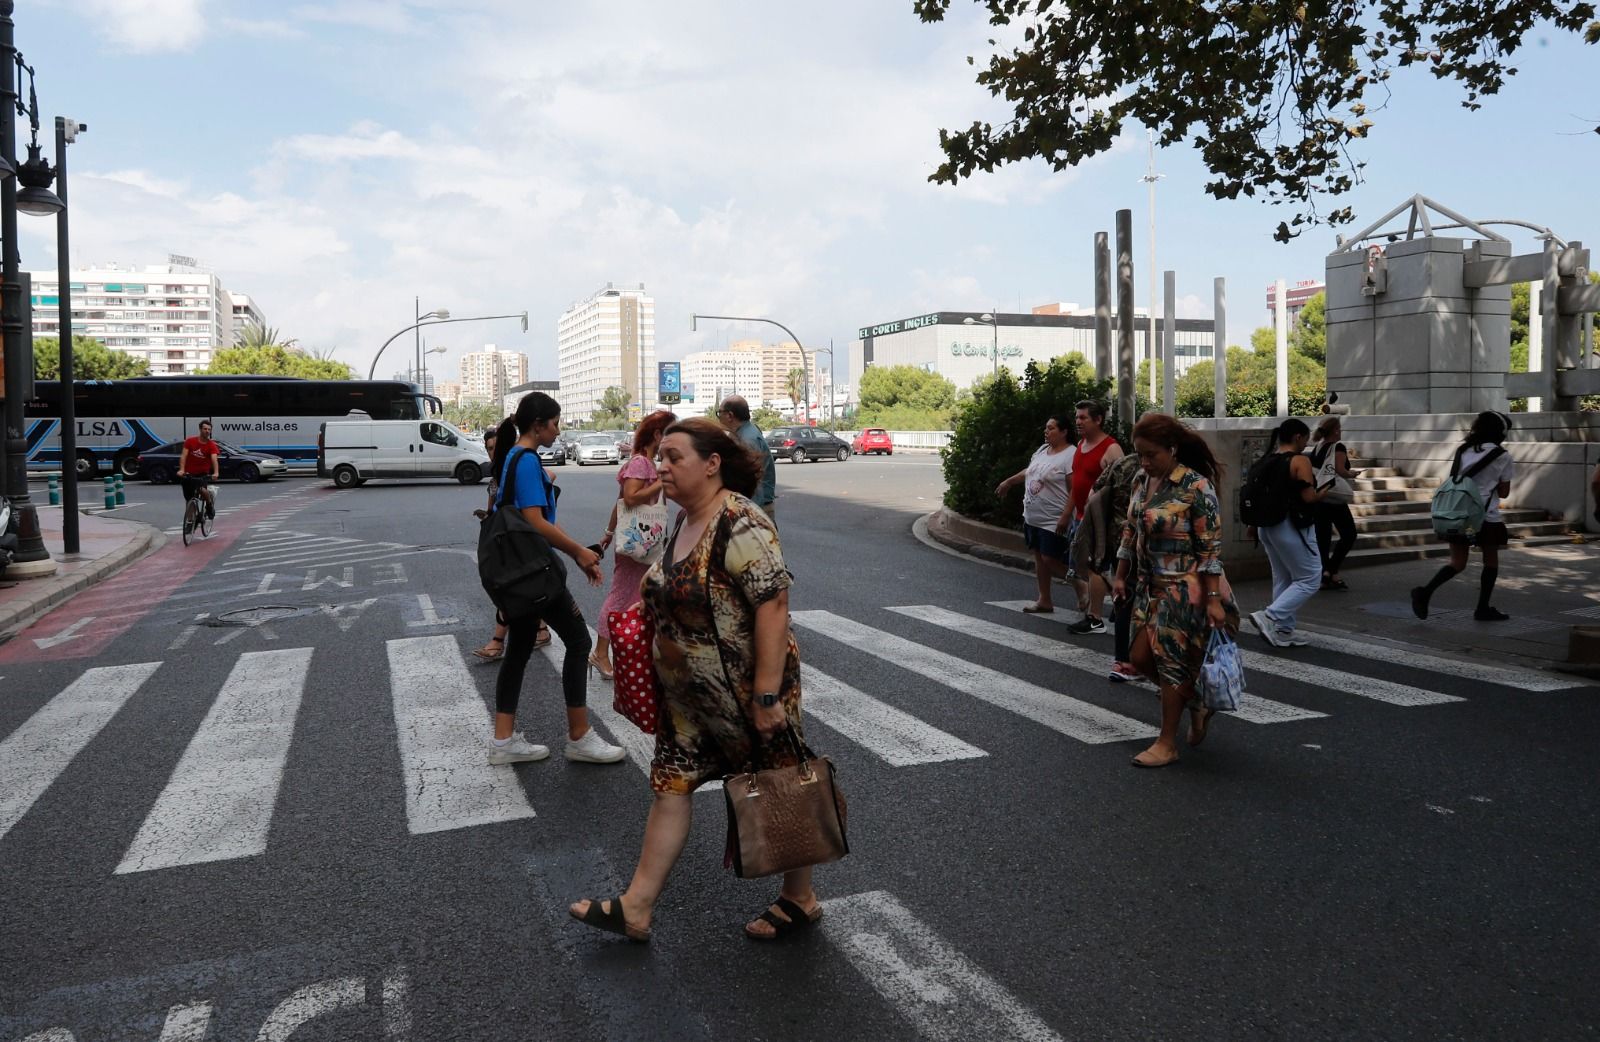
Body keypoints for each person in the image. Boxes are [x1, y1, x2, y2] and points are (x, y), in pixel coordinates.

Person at [569, 417, 819, 943]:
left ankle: (800, 898)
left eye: (673, 457)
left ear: (712, 465)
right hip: (689, 702)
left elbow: (773, 605)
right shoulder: (682, 521)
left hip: (745, 696)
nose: (661, 466)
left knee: (779, 787)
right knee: (670, 787)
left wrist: (767, 695)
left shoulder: (739, 522)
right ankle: (636, 907)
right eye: (659, 456)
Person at [490, 393, 626, 766]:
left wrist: (576, 553)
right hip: (536, 572)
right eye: (555, 423)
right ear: (538, 425)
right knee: (580, 641)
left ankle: (503, 741)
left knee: (518, 649)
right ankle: (579, 736)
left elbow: (540, 518)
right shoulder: (528, 461)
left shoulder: (513, 457)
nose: (558, 429)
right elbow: (534, 520)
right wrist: (579, 553)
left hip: (518, 571)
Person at [1111, 414, 1239, 768]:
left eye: (1152, 454)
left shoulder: (1196, 487)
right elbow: (1129, 532)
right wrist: (1121, 574)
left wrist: (1213, 600)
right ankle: (1195, 700)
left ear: (1172, 449)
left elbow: (1210, 549)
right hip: (1147, 586)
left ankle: (1167, 742)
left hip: (1184, 589)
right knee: (1138, 658)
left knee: (1170, 664)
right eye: (1140, 454)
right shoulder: (1142, 480)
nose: (1145, 462)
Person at [589, 409, 678, 679]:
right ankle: (600, 653)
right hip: (638, 543)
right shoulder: (641, 463)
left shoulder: (645, 462)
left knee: (641, 597)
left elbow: (619, 502)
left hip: (642, 538)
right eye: (669, 435)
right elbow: (630, 498)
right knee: (620, 597)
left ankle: (635, 651)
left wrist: (608, 531)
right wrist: (661, 482)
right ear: (657, 435)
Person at [1411, 411, 1517, 622]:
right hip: (1486, 519)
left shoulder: (1463, 450)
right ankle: (1482, 608)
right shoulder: (1502, 456)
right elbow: (1504, 492)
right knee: (1490, 561)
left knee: (1458, 562)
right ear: (1501, 432)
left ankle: (1425, 592)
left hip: (1462, 518)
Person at [1246, 419, 1329, 648]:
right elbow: (1308, 497)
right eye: (1305, 438)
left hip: (1265, 527)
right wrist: (1325, 492)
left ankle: (1284, 630)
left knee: (1283, 577)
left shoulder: (1265, 461)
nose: (1306, 443)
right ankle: (1270, 616)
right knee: (1310, 578)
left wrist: (1253, 524)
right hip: (1291, 526)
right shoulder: (1299, 460)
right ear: (1298, 437)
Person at [472, 423, 549, 661]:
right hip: (506, 538)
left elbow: (547, 481)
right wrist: (486, 516)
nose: (492, 451)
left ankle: (499, 641)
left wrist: (578, 552)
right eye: (488, 448)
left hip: (522, 538)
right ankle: (540, 628)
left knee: (511, 587)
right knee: (525, 589)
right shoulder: (498, 473)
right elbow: (494, 509)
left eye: (496, 446)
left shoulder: (517, 465)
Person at [1071, 451, 1143, 679]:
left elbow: (1094, 493)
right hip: (1137, 542)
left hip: (1119, 537)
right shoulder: (1168, 470)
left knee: (1127, 597)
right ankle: (1131, 661)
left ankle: (1124, 661)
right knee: (1134, 597)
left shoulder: (1123, 462)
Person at [994, 415, 1075, 613]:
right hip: (1033, 517)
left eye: (1051, 428)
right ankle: (1044, 599)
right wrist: (1009, 482)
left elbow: (1075, 488)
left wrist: (1066, 514)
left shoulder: (1071, 454)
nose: (1046, 431)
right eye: (1046, 428)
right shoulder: (1042, 450)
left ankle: (1082, 585)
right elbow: (1029, 471)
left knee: (1050, 558)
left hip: (1054, 518)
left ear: (1064, 432)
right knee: (1039, 558)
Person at [1064, 400, 1124, 632]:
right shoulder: (1080, 445)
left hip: (1101, 521)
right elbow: (1077, 484)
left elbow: (1123, 486)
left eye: (1083, 418)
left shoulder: (1111, 449)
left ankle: (1095, 617)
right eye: (1077, 417)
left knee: (1094, 567)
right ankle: (1121, 603)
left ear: (1098, 420)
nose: (1078, 422)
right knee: (1081, 567)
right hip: (1081, 518)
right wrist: (1068, 513)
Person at [1308, 416, 1360, 591]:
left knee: (1323, 538)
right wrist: (1352, 473)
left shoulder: (1318, 447)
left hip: (1320, 498)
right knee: (1349, 534)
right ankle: (1331, 569)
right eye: (1340, 429)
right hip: (1334, 497)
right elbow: (1340, 470)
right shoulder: (1338, 447)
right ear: (1336, 430)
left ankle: (1326, 574)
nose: (1341, 432)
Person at [717, 395, 777, 522]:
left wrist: (749, 515)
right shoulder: (747, 432)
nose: (718, 417)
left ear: (729, 415)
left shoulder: (746, 440)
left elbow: (753, 480)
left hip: (756, 509)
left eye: (719, 412)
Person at [179, 419, 221, 521]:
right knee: (189, 500)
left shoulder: (211, 445)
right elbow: (183, 456)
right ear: (200, 429)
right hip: (189, 473)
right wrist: (181, 470)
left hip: (202, 474)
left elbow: (214, 459)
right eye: (205, 429)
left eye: (209, 429)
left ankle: (209, 506)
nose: (207, 431)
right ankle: (190, 522)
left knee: (202, 490)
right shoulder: (190, 441)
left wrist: (216, 472)